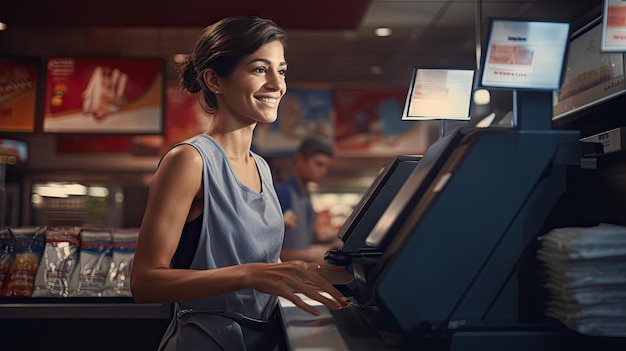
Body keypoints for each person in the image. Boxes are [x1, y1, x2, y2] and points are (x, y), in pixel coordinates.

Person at [130, 16, 349, 351]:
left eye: (282, 70)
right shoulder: (190, 161)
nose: (277, 84)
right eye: (260, 69)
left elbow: (260, 265)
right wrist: (249, 274)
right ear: (215, 80)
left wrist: (301, 271)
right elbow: (144, 282)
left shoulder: (261, 167)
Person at [274, 136, 341, 264]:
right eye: (319, 164)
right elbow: (270, 250)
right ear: (300, 159)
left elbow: (307, 238)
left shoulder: (306, 197)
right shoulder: (283, 193)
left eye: (326, 167)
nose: (323, 171)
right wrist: (312, 255)